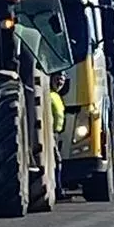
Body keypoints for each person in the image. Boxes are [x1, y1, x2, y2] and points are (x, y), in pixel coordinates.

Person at [49, 72, 68, 200]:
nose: (60, 82)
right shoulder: (49, 95)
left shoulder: (56, 96)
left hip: (56, 134)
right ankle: (58, 190)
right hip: (50, 134)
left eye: (62, 80)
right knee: (57, 161)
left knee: (58, 161)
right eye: (57, 79)